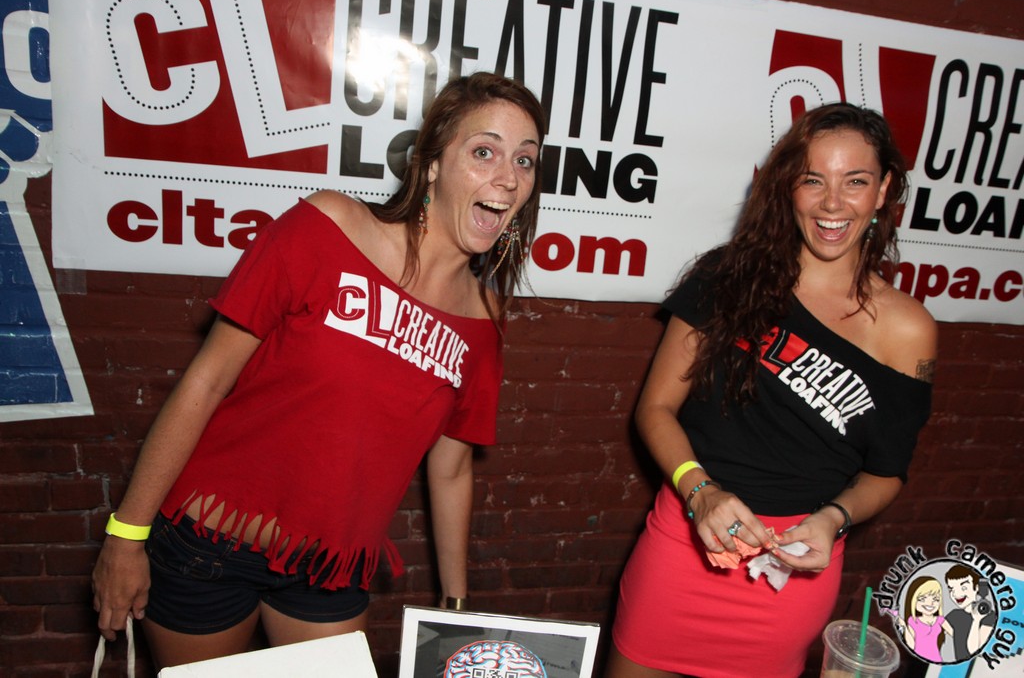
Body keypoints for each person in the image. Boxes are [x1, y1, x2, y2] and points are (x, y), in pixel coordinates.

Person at [91, 72, 544, 669]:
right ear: (432, 163)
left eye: (525, 160)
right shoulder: (330, 225)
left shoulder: (485, 319)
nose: (508, 178)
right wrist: (126, 536)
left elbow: (452, 466)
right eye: (484, 152)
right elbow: (206, 381)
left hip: (329, 572)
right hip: (209, 548)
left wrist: (455, 604)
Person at [607, 103, 937, 678]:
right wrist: (700, 491)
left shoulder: (909, 330)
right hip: (684, 546)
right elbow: (655, 409)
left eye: (855, 181)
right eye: (813, 180)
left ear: (883, 190)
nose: (832, 203)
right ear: (788, 187)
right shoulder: (727, 276)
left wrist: (833, 518)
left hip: (791, 573)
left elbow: (886, 473)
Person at [892, 576, 953, 662]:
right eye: (922, 599)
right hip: (916, 660)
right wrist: (904, 627)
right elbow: (911, 645)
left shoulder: (940, 620)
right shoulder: (913, 621)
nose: (930, 603)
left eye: (936, 599)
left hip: (936, 659)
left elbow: (956, 636)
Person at [944, 564, 997, 660]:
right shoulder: (954, 615)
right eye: (951, 589)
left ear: (976, 587)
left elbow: (974, 651)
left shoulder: (989, 616)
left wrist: (976, 620)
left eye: (963, 588)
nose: (956, 594)